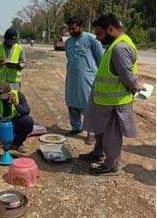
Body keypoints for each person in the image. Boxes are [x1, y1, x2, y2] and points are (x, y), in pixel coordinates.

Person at [81, 13, 145, 176]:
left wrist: (137, 86)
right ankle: (98, 154)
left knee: (111, 135)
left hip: (115, 101)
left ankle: (111, 165)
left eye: (99, 34)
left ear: (110, 29)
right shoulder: (116, 45)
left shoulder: (119, 48)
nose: (97, 38)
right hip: (105, 100)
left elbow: (127, 75)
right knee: (101, 131)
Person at [64, 16, 104, 144]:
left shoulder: (92, 39)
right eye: (70, 29)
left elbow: (100, 60)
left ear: (81, 27)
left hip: (88, 79)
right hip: (72, 78)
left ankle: (91, 132)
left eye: (74, 29)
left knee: (88, 105)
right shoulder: (68, 42)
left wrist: (99, 78)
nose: (71, 31)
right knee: (72, 102)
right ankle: (76, 127)